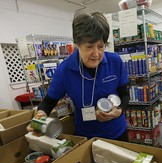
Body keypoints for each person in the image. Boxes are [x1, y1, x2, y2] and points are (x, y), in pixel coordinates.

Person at [28, 12, 129, 141]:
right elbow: (48, 102)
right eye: (89, 47)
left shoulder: (115, 62)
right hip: (87, 137)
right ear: (77, 44)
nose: (96, 54)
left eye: (101, 46)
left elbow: (125, 94)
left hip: (117, 132)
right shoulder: (65, 70)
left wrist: (120, 109)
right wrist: (40, 115)